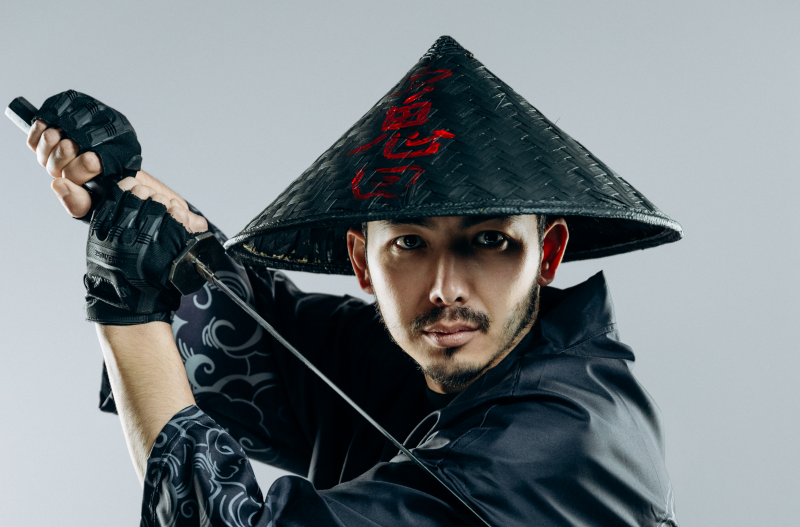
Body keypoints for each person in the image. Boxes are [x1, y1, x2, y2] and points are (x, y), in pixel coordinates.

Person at [25, 37, 681, 526]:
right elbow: (252, 345)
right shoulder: (418, 355)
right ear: (362, 261)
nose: (446, 288)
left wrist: (122, 306)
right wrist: (128, 198)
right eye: (409, 244)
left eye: (488, 241)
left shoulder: (558, 444)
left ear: (548, 253)